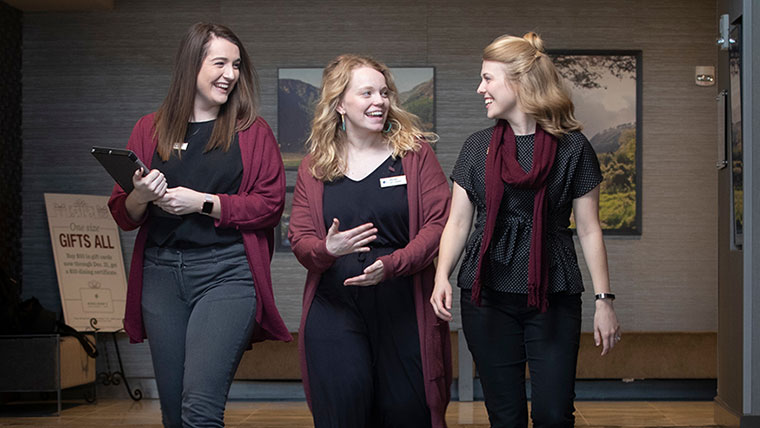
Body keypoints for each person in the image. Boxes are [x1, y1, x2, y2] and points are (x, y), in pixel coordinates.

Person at [431, 32, 621, 428]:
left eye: (487, 78)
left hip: (553, 293)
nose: (479, 88)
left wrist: (604, 300)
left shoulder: (573, 148)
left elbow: (589, 230)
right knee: (506, 415)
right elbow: (459, 222)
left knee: (554, 414)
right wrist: (441, 276)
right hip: (487, 296)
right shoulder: (476, 147)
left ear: (519, 81)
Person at [108, 22, 291, 428]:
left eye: (237, 65)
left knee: (200, 410)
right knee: (175, 416)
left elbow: (270, 206)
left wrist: (203, 203)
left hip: (226, 274)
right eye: (220, 63)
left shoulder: (252, 132)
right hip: (161, 277)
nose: (231, 74)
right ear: (191, 65)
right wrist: (142, 194)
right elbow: (123, 213)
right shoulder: (148, 129)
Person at [288, 54, 452, 428]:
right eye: (366, 93)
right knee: (343, 409)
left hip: (402, 303)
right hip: (334, 305)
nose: (379, 101)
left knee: (407, 411)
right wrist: (327, 249)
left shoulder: (414, 155)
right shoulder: (315, 167)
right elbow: (300, 238)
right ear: (339, 103)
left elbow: (439, 224)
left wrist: (393, 265)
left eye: (384, 92)